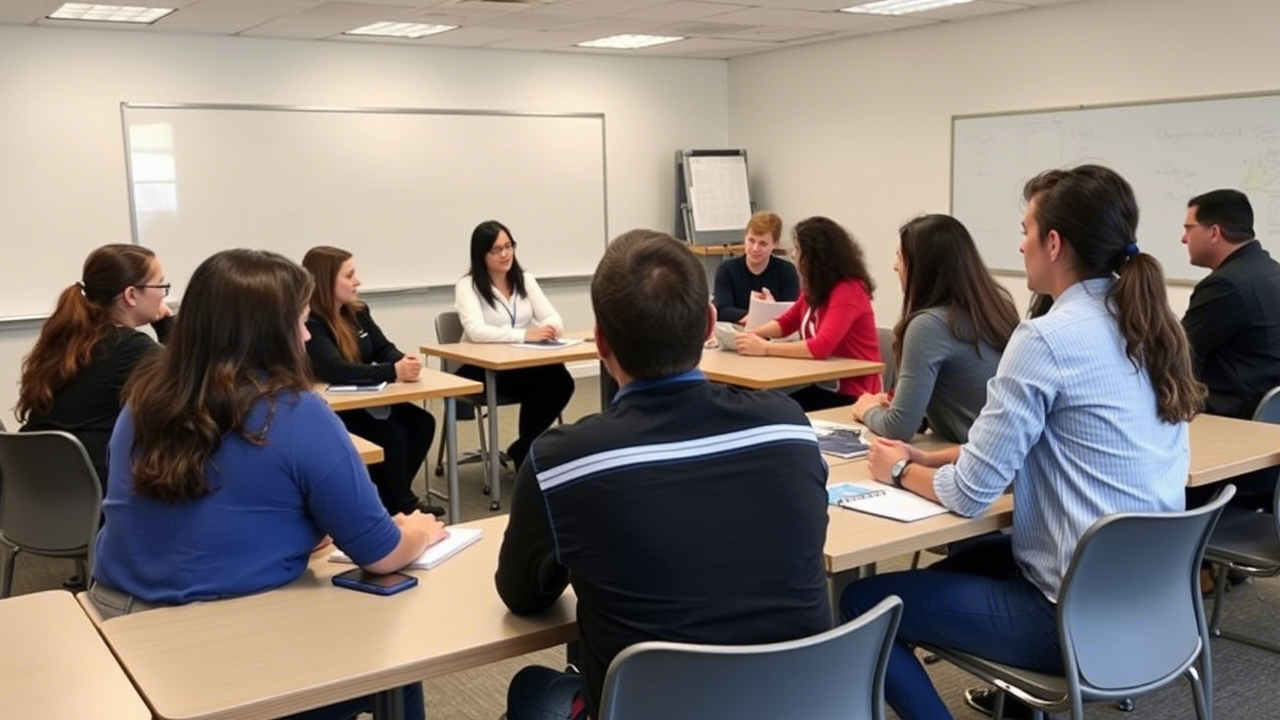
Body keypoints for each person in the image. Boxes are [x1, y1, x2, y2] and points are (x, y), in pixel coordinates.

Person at [840, 165, 1204, 720]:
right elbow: (1038, 446)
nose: (1020, 244)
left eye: (1025, 230)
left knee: (866, 605)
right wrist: (929, 456)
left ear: (1053, 243)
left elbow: (970, 495)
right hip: (1153, 610)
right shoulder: (1152, 328)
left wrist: (894, 471)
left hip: (1066, 621)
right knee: (972, 560)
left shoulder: (1046, 338)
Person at [90, 249, 447, 720]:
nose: (306, 335)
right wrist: (419, 532)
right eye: (299, 321)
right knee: (397, 673)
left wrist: (292, 535)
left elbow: (190, 516)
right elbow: (381, 554)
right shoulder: (298, 412)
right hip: (220, 656)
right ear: (266, 333)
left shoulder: (143, 402)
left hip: (120, 639)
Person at [496, 230, 831, 720]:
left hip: (656, 706)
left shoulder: (561, 462)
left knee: (532, 688)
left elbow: (522, 596)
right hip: (802, 704)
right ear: (710, 323)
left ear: (601, 341)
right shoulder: (790, 427)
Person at [851, 214, 1019, 443]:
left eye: (900, 257)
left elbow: (898, 428)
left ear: (923, 268)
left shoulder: (928, 326)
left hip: (972, 457)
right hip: (1005, 453)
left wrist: (867, 410)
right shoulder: (998, 310)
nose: (895, 267)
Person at [303, 246, 443, 518]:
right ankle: (403, 504)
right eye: (349, 276)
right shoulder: (312, 322)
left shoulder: (358, 311)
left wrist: (403, 362)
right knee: (392, 436)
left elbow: (383, 348)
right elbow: (335, 369)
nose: (358, 281)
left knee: (423, 423)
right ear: (325, 281)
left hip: (369, 399)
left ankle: (390, 500)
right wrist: (392, 371)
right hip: (337, 408)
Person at [17, 243, 172, 486]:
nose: (164, 295)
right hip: (98, 493)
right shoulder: (131, 348)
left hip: (36, 491)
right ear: (131, 295)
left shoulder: (70, 341)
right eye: (161, 285)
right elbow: (188, 385)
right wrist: (167, 326)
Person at [453, 220, 575, 470]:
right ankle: (526, 454)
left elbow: (552, 316)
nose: (505, 254)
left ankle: (523, 449)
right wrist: (524, 335)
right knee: (546, 382)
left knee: (560, 380)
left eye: (509, 246)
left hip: (521, 363)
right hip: (481, 368)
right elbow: (476, 331)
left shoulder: (525, 279)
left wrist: (551, 328)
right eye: (497, 249)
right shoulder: (468, 286)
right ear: (481, 254)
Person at [734, 215, 881, 411]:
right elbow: (786, 322)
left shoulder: (848, 289)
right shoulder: (816, 286)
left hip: (854, 394)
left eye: (798, 250)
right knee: (762, 405)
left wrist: (766, 348)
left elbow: (821, 346)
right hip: (824, 385)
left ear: (815, 256)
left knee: (771, 410)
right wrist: (748, 335)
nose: (794, 255)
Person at [1180, 189, 1280, 419]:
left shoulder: (1226, 285)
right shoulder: (1271, 271)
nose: (1184, 239)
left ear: (1214, 232)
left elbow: (1175, 353)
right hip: (1268, 416)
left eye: (1189, 229)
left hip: (1232, 419)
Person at [712, 211, 800, 325]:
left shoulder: (787, 271)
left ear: (775, 244)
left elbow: (791, 313)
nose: (755, 248)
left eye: (763, 244)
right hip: (738, 330)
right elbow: (722, 310)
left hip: (774, 332)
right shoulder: (727, 269)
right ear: (745, 237)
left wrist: (772, 308)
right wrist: (764, 315)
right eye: (751, 240)